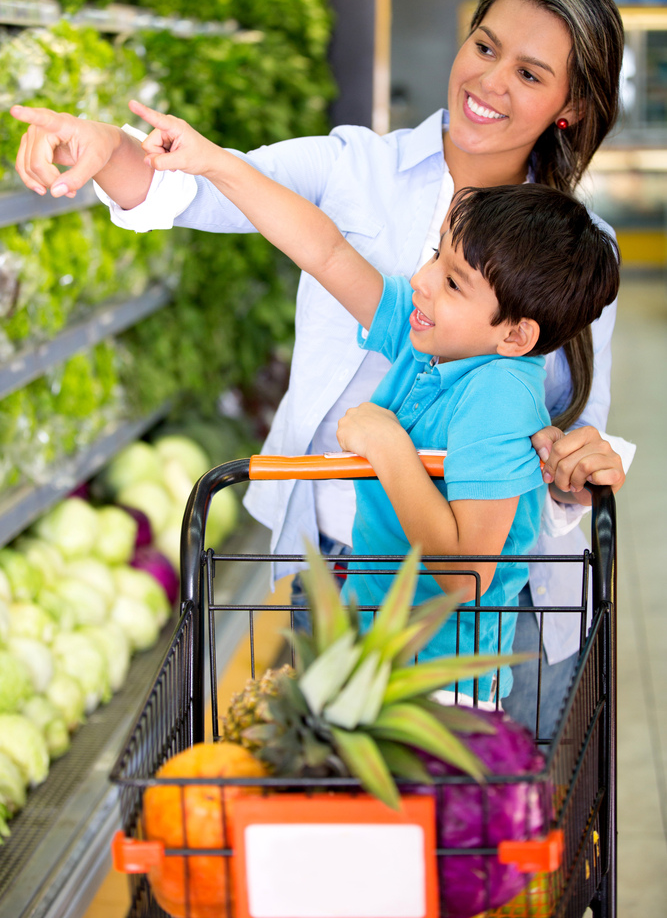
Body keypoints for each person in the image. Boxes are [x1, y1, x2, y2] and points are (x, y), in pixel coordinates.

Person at [10, 0, 632, 728]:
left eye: (529, 72)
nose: (489, 80)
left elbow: (567, 434)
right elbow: (257, 220)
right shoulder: (353, 168)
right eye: (483, 45)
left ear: (569, 106)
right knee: (341, 822)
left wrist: (572, 471)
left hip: (491, 632)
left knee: (476, 829)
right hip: (343, 574)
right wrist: (109, 145)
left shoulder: (577, 254)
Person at [109, 101, 618, 704]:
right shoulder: (429, 339)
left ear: (515, 336)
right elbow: (324, 251)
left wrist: (387, 447)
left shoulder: (500, 396)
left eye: (454, 282)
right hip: (371, 657)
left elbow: (468, 574)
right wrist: (217, 165)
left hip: (441, 692)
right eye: (437, 257)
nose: (423, 280)